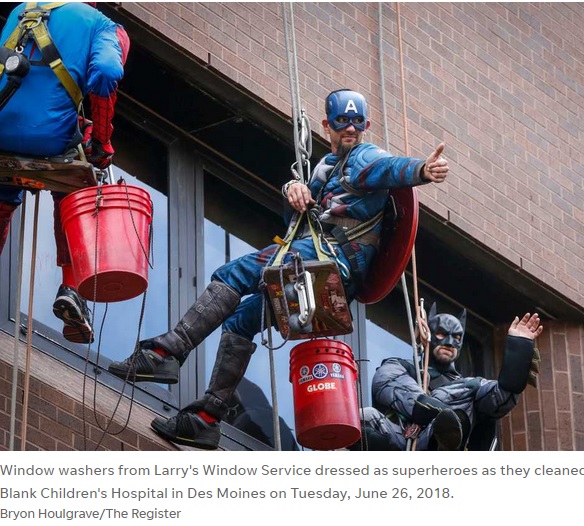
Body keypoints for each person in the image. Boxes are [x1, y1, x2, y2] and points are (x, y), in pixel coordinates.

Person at [108, 88, 449, 450]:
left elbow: (388, 168)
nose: (350, 129)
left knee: (232, 274)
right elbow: (295, 223)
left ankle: (165, 353)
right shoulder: (323, 168)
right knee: (240, 320)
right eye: (342, 122)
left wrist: (421, 171)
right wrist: (293, 190)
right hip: (321, 268)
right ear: (326, 125)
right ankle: (206, 418)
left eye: (357, 122)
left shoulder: (365, 156)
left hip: (328, 259)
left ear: (366, 124)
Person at [0, 2, 129, 343]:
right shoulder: (103, 25)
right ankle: (72, 287)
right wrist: (102, 141)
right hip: (48, 138)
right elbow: (105, 72)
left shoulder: (19, 12)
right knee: (76, 182)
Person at [356, 306, 542, 451]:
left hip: (442, 448)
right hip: (400, 439)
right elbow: (385, 382)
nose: (449, 342)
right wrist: (427, 405)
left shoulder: (470, 387)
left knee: (468, 392)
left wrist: (518, 354)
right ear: (427, 333)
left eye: (456, 337)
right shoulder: (402, 366)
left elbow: (499, 397)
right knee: (364, 416)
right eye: (442, 334)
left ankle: (444, 440)